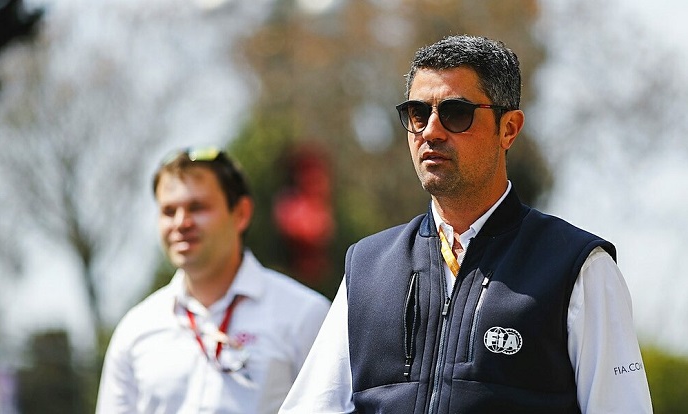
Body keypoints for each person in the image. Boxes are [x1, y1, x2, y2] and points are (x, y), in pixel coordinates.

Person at [280, 35, 653, 413]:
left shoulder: (578, 267)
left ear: (508, 129)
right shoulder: (367, 266)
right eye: (418, 113)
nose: (431, 131)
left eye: (456, 112)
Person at [96, 147, 331, 414]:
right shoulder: (135, 330)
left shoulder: (306, 316)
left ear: (241, 214)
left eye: (197, 207)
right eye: (168, 211)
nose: (181, 223)